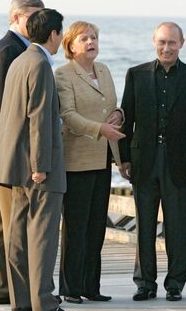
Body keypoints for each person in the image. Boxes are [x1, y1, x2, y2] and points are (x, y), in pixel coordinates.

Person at [118, 22, 186, 302]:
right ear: (154, 41)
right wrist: (124, 157)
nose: (166, 48)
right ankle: (145, 283)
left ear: (182, 44)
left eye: (172, 43)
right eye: (162, 42)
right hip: (144, 161)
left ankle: (175, 283)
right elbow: (125, 120)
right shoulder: (136, 74)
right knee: (144, 225)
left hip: (180, 162)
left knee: (179, 226)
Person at [0, 8, 66, 311]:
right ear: (53, 35)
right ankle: (44, 303)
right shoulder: (40, 65)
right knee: (42, 238)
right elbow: (39, 119)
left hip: (10, 163)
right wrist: (41, 166)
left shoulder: (20, 61)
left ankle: (21, 302)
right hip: (35, 167)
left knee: (18, 240)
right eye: (61, 33)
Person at [54, 21, 125, 304]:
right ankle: (70, 288)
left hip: (104, 157)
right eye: (84, 38)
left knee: (97, 226)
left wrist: (118, 115)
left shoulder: (104, 70)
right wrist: (100, 129)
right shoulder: (63, 75)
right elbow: (68, 116)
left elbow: (112, 105)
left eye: (94, 37)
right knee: (75, 227)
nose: (91, 42)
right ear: (71, 45)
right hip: (77, 159)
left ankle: (91, 286)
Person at [0, 0, 44, 305]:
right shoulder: (8, 51)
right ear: (18, 17)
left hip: (3, 152)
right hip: (8, 153)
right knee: (12, 226)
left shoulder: (17, 49)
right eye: (33, 17)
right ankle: (9, 289)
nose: (38, 23)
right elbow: (2, 108)